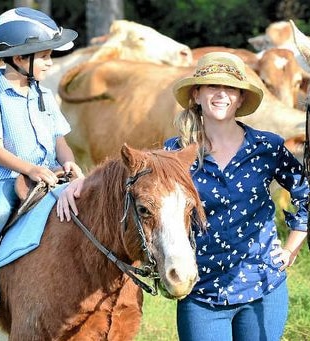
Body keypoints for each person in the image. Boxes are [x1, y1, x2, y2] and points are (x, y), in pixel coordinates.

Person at [56, 52, 309, 341]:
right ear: (197, 95)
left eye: (230, 89)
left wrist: (291, 248)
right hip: (201, 290)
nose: (221, 94)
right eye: (212, 87)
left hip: (263, 287)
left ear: (240, 99)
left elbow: (304, 191)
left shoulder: (267, 147)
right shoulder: (175, 154)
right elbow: (125, 179)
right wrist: (79, 185)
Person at [0, 7, 84, 326]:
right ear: (21, 59)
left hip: (51, 175)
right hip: (8, 177)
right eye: (46, 56)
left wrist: (70, 162)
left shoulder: (45, 95)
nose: (51, 63)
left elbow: (59, 138)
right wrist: (30, 169)